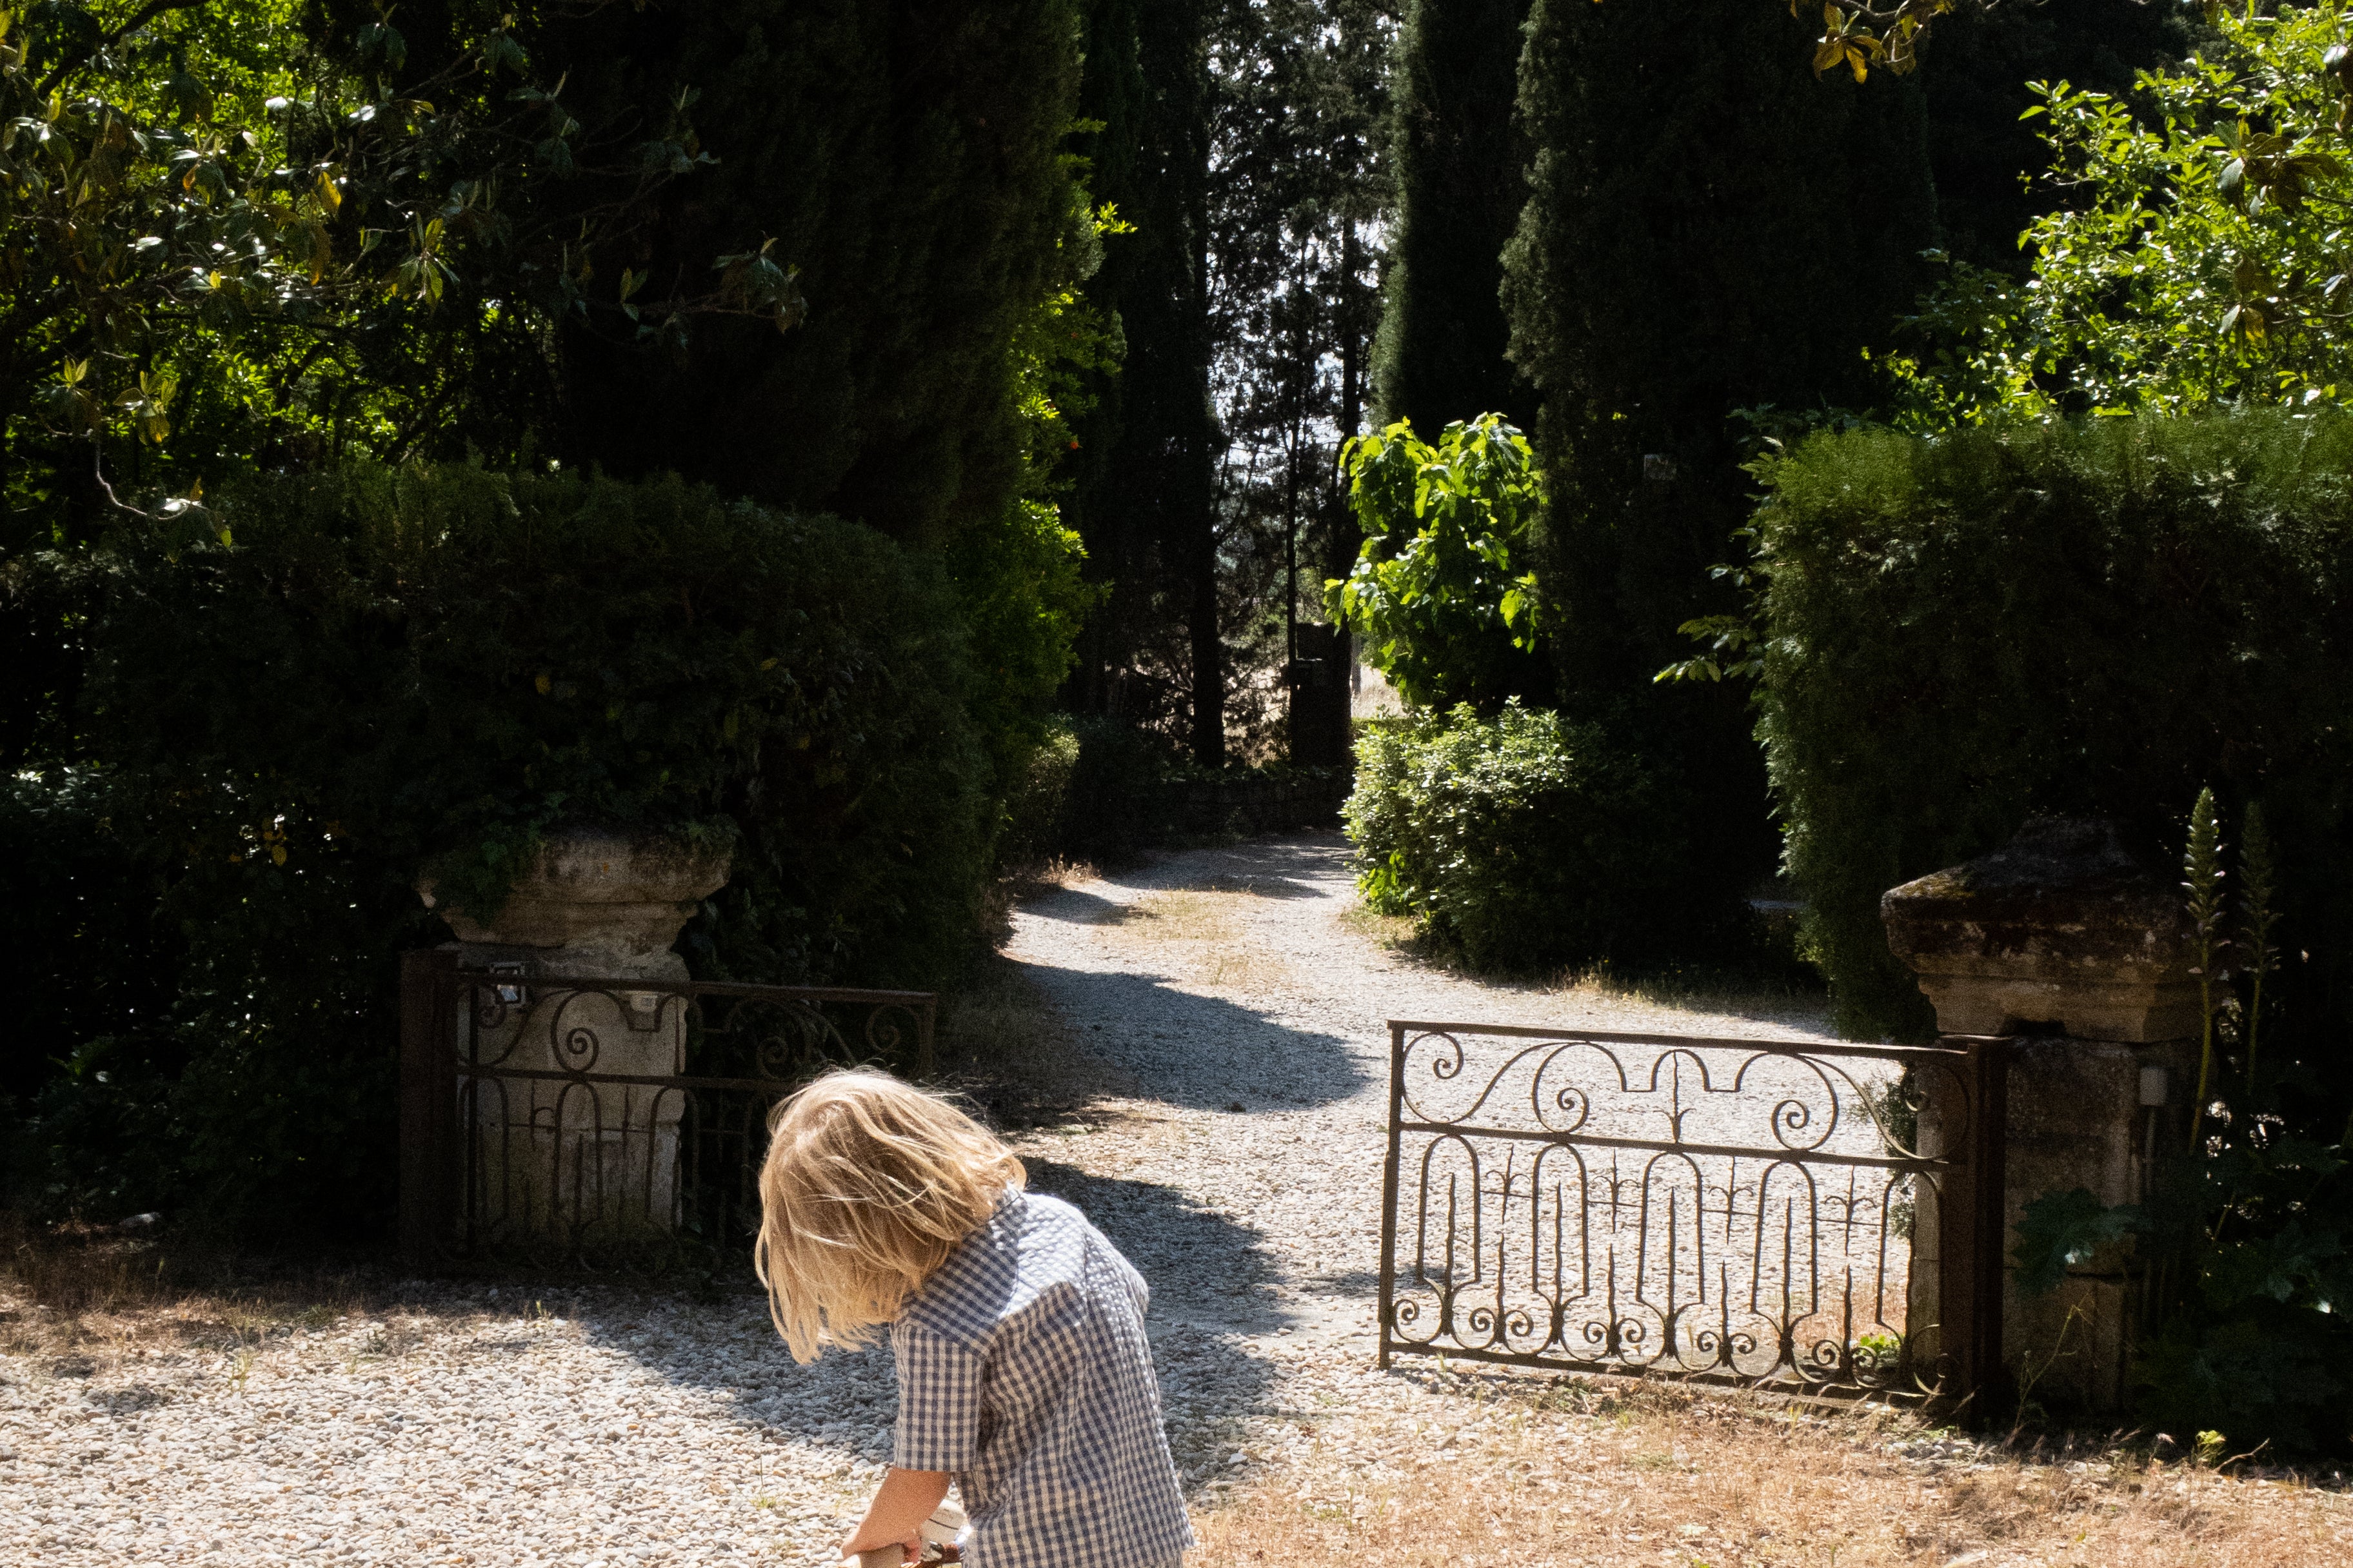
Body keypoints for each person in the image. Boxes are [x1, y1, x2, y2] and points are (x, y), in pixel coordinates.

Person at [755, 1069, 1193, 1568]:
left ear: (862, 1237)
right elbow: (1135, 1295)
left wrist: (867, 1538)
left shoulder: (937, 1321)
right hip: (1147, 1534)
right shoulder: (1063, 1224)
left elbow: (921, 1479)